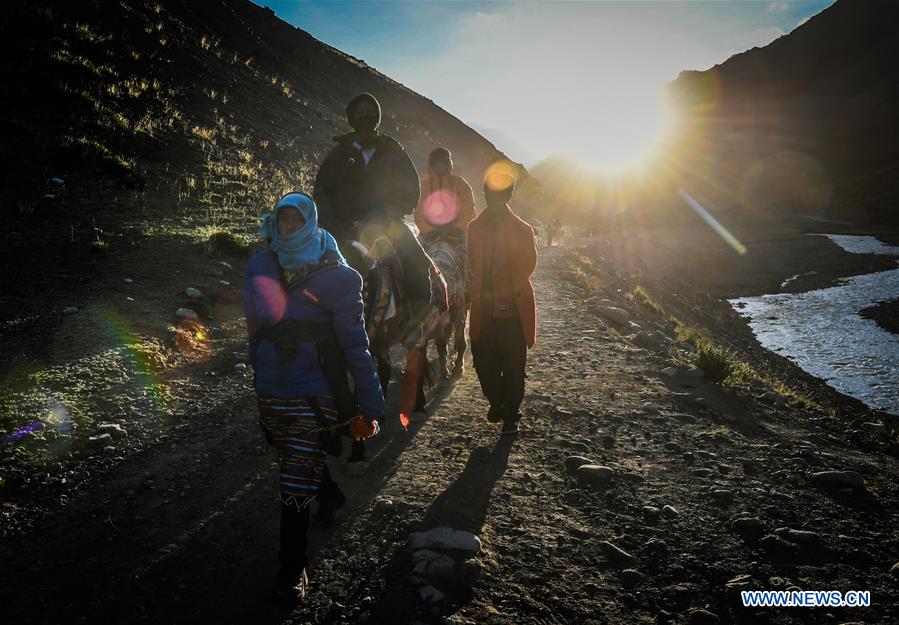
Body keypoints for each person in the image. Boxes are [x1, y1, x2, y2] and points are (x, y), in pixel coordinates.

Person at [244, 192, 384, 601]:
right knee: (293, 457)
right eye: (281, 219)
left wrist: (371, 404)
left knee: (292, 480)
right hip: (272, 389)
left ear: (310, 222)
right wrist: (257, 372)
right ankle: (332, 494)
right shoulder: (260, 264)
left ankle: (292, 569)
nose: (287, 227)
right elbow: (254, 327)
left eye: (295, 220)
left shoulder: (341, 278)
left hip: (313, 392)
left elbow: (356, 346)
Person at [312, 92, 431, 316]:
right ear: (351, 118)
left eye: (369, 113)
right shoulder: (339, 154)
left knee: (415, 261)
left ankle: (418, 318)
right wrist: (335, 223)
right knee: (306, 261)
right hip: (342, 226)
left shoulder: (393, 150)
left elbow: (410, 190)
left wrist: (385, 215)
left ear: (377, 117)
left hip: (386, 224)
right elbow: (322, 192)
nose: (365, 117)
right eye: (359, 113)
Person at [467, 171, 537, 435]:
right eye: (489, 193)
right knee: (483, 364)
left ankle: (511, 415)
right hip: (484, 309)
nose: (493, 198)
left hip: (513, 312)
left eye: (499, 194)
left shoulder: (523, 229)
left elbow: (528, 265)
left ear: (508, 195)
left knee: (513, 366)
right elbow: (472, 262)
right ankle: (497, 402)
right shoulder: (474, 228)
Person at [414, 147, 475, 242]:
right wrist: (429, 231)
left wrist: (457, 229)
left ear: (448, 163)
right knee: (414, 247)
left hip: (458, 232)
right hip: (429, 233)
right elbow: (418, 213)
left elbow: (468, 210)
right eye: (436, 162)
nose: (439, 164)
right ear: (431, 164)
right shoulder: (424, 186)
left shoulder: (460, 184)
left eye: (442, 161)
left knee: (470, 245)